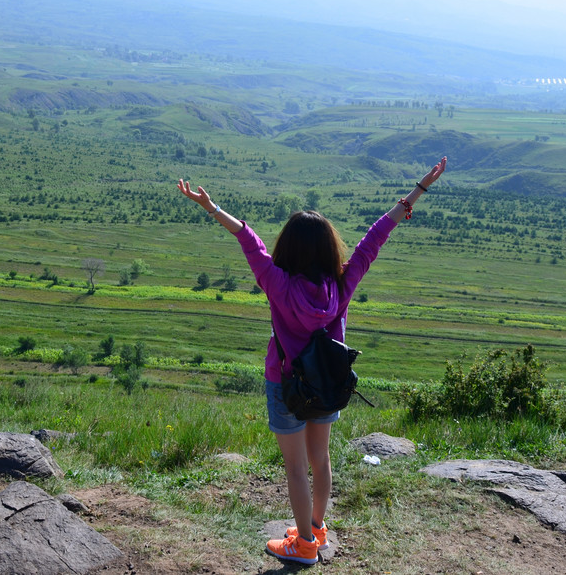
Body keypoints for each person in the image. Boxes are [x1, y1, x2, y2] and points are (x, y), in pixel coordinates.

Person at [177, 156, 447, 565]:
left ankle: (303, 546)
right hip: (329, 385)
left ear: (289, 247)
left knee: (295, 468)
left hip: (286, 384)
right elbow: (374, 238)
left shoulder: (277, 283)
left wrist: (211, 207)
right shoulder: (343, 281)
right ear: (327, 247)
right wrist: (418, 190)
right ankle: (317, 528)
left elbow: (250, 241)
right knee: (321, 460)